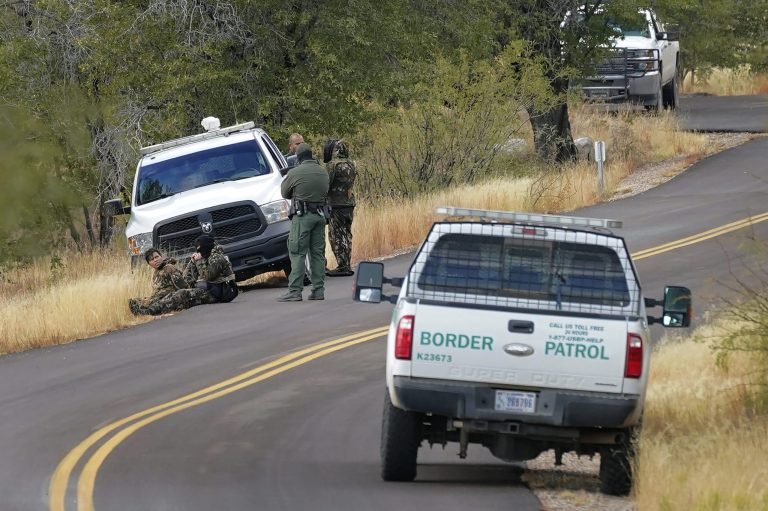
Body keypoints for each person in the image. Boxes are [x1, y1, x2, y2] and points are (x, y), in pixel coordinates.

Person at [278, 142, 329, 302]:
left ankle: (295, 291)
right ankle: (318, 291)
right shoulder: (323, 172)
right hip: (320, 216)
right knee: (317, 254)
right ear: (311, 155)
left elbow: (284, 192)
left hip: (303, 217)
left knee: (297, 252)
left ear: (298, 158)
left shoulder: (295, 172)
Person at [128, 248, 211, 316]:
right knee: (138, 301)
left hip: (175, 298)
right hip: (162, 298)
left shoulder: (168, 268)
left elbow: (183, 286)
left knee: (162, 301)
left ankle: (147, 312)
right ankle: (143, 310)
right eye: (152, 259)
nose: (155, 260)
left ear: (161, 257)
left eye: (157, 257)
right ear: (149, 264)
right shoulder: (156, 273)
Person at [323, 139, 357, 277]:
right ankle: (346, 263)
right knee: (346, 234)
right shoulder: (351, 164)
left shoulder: (332, 166)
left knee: (336, 235)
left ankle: (343, 266)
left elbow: (326, 185)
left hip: (336, 204)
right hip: (349, 204)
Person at [183, 235, 239, 303]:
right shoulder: (202, 257)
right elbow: (189, 277)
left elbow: (208, 277)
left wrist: (198, 262)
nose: (200, 252)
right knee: (182, 294)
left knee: (183, 296)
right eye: (198, 251)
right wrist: (192, 262)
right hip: (208, 289)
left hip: (222, 291)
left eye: (201, 250)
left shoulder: (217, 257)